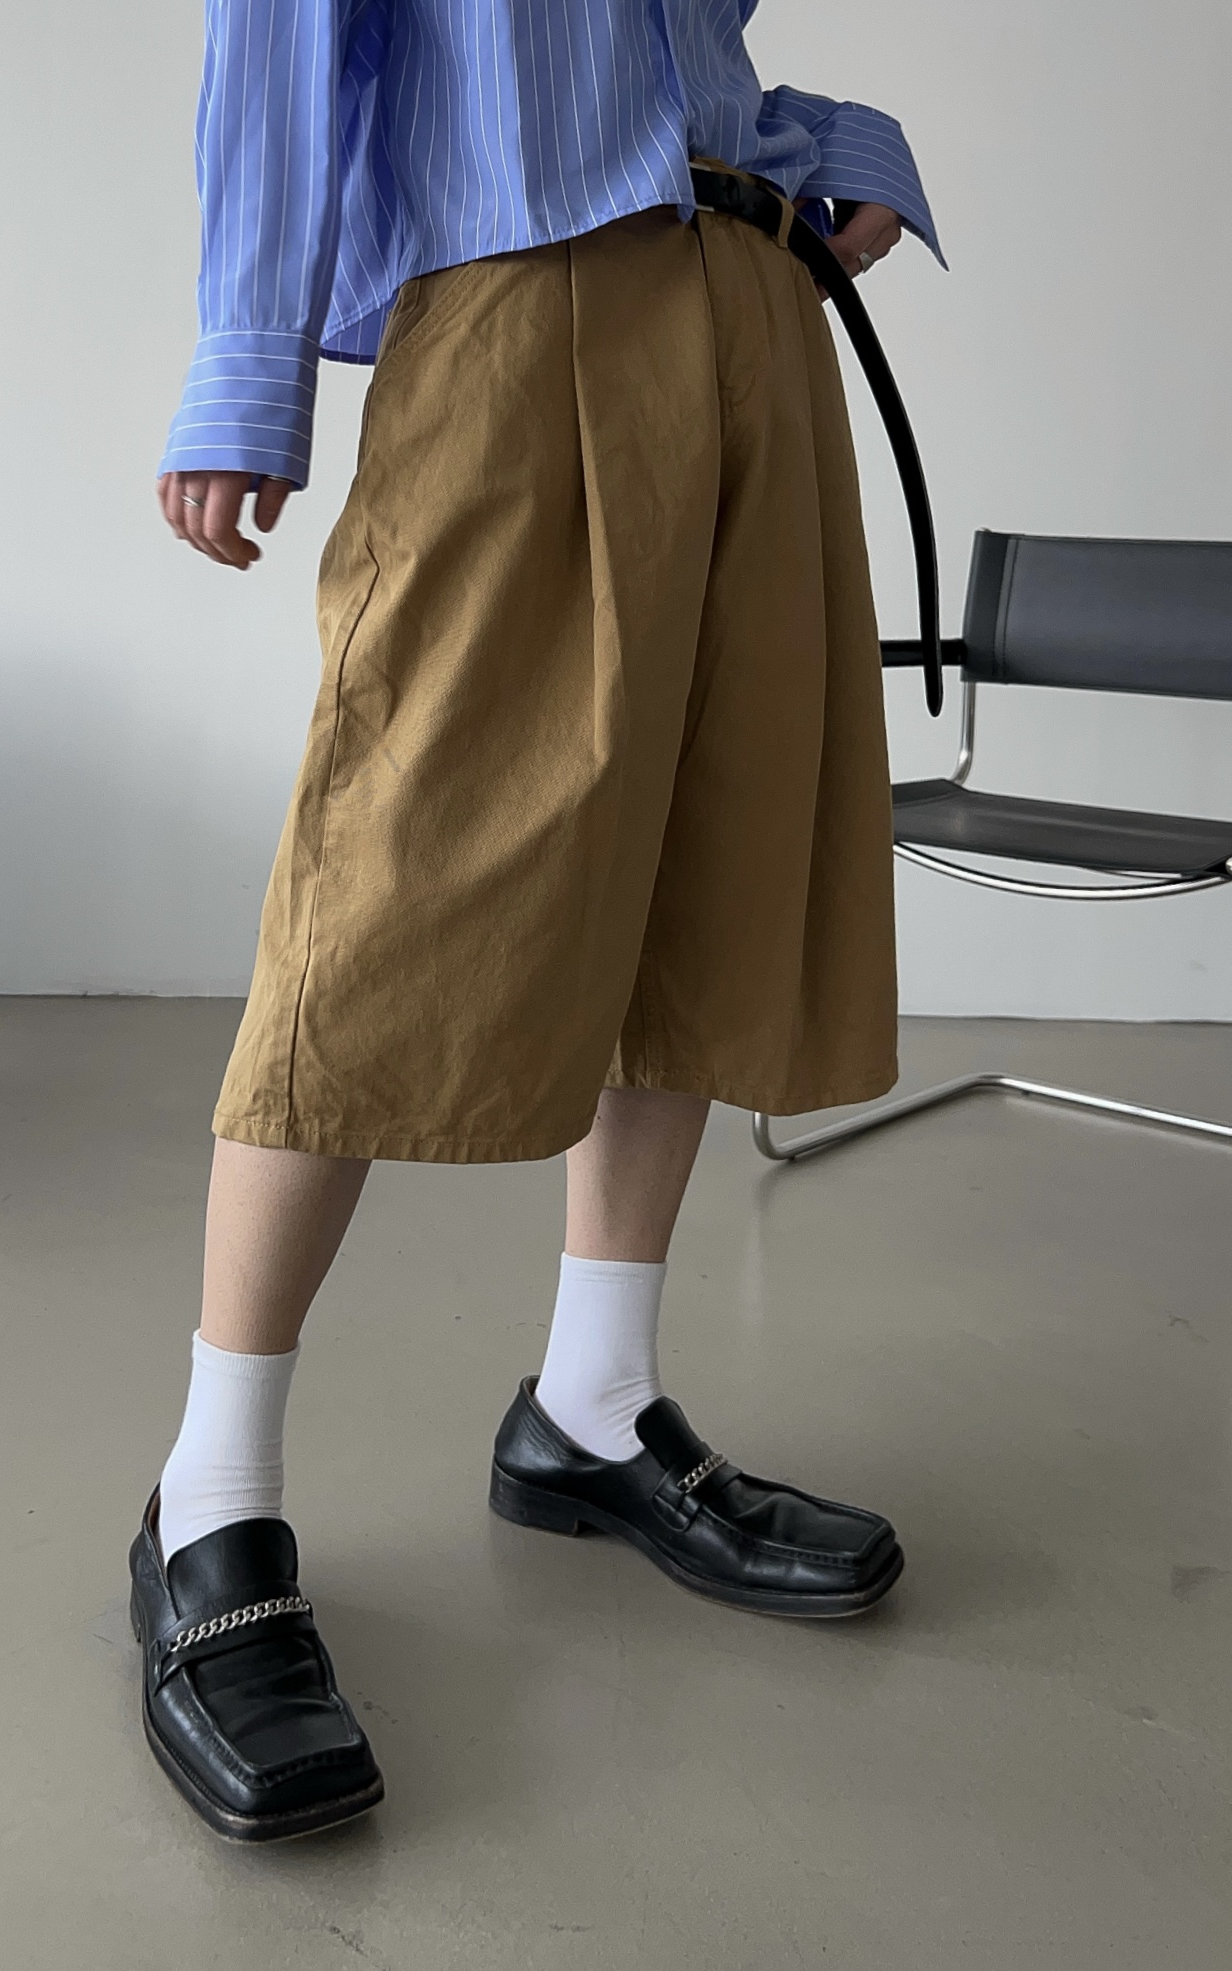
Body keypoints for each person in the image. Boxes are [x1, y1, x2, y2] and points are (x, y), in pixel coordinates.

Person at [131, 0, 944, 1843]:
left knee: (707, 877)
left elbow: (689, 59)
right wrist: (248, 364)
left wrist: (844, 160)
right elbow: (280, 52)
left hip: (753, 307)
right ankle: (210, 1493)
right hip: (517, 308)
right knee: (384, 890)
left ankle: (593, 1402)